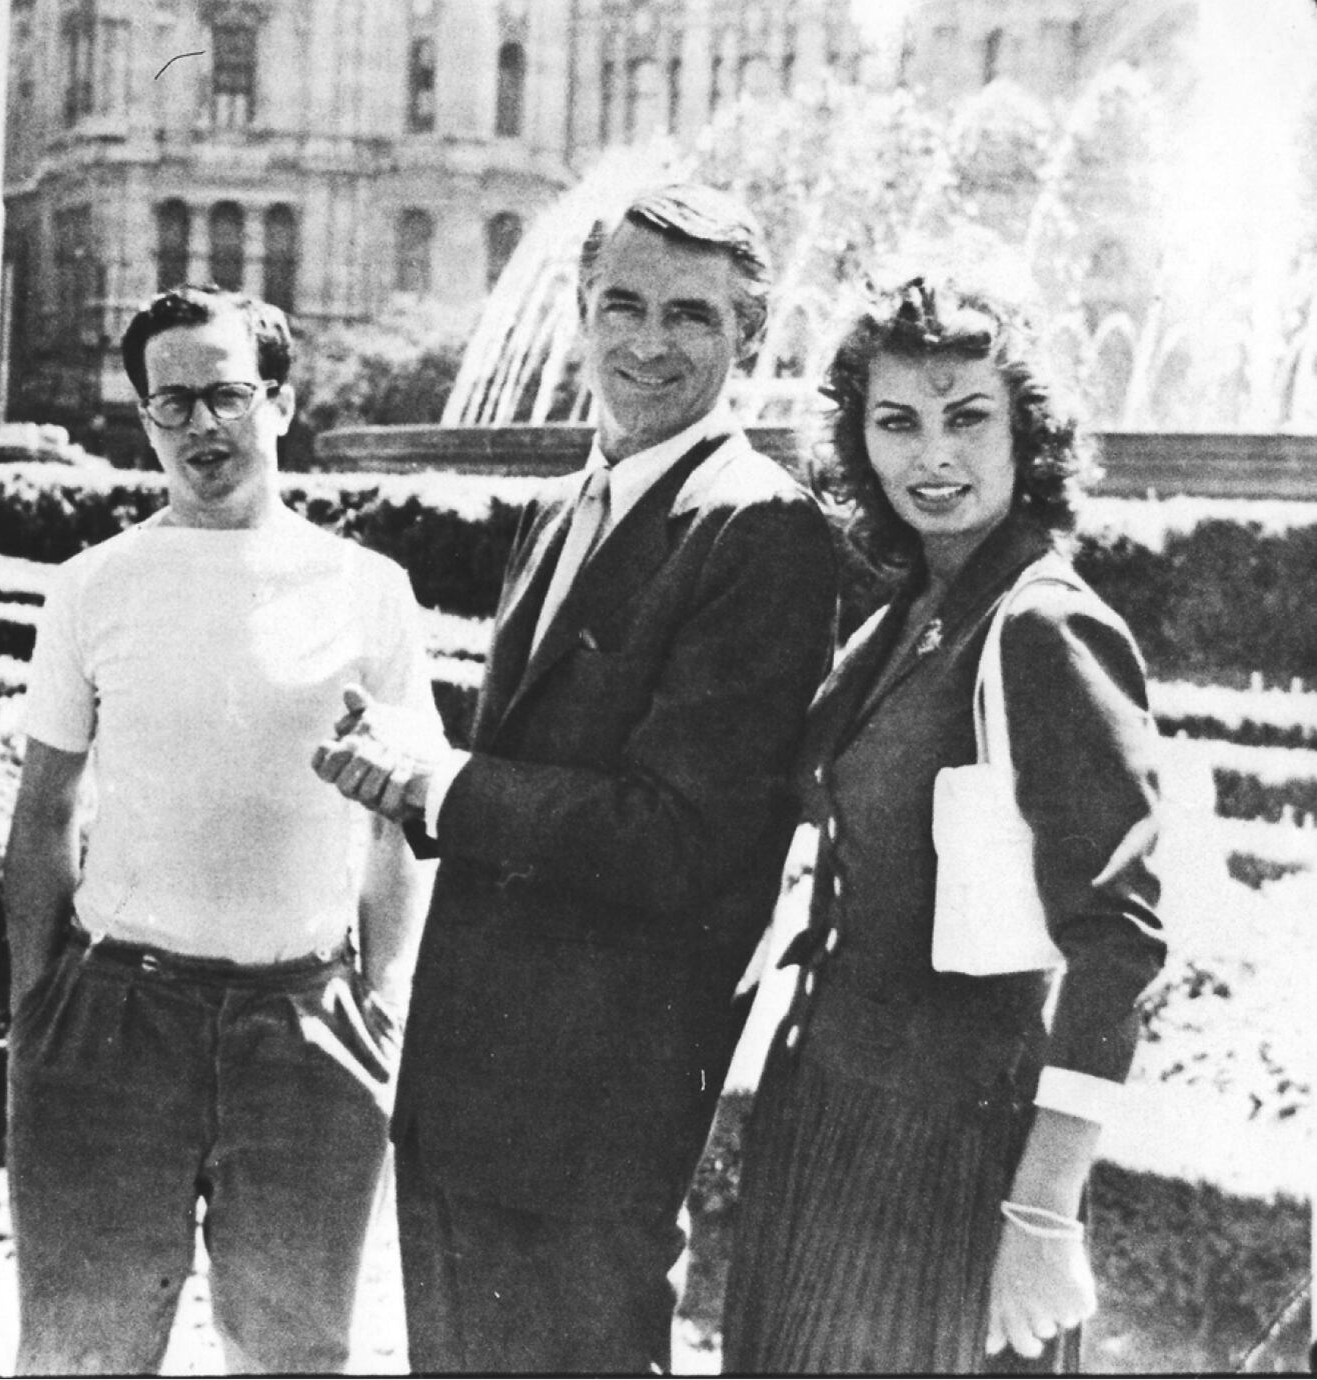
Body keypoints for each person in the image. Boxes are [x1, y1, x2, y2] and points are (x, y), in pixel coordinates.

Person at [313, 183, 839, 1374]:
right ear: (579, 311)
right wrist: (409, 769)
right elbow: (540, 772)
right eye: (624, 304)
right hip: (464, 1087)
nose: (648, 342)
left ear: (748, 338)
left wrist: (442, 783)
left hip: (594, 1118)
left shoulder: (762, 530)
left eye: (692, 317)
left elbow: (677, 838)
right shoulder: (559, 509)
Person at [719, 276, 1168, 1373]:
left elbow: (1118, 941)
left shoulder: (1041, 624)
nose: (932, 455)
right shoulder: (911, 606)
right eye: (896, 422)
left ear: (1026, 432)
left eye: (966, 417)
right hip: (829, 1117)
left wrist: (1043, 1216)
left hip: (951, 1155)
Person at [2, 284, 440, 1374]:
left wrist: (377, 1002)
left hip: (302, 1027)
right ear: (145, 418)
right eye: (172, 403)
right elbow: (44, 806)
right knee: (81, 1352)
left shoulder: (368, 590)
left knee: (288, 1355)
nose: (201, 426)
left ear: (280, 403)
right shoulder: (92, 586)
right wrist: (34, 1007)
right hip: (112, 1019)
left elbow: (402, 827)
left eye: (228, 395)